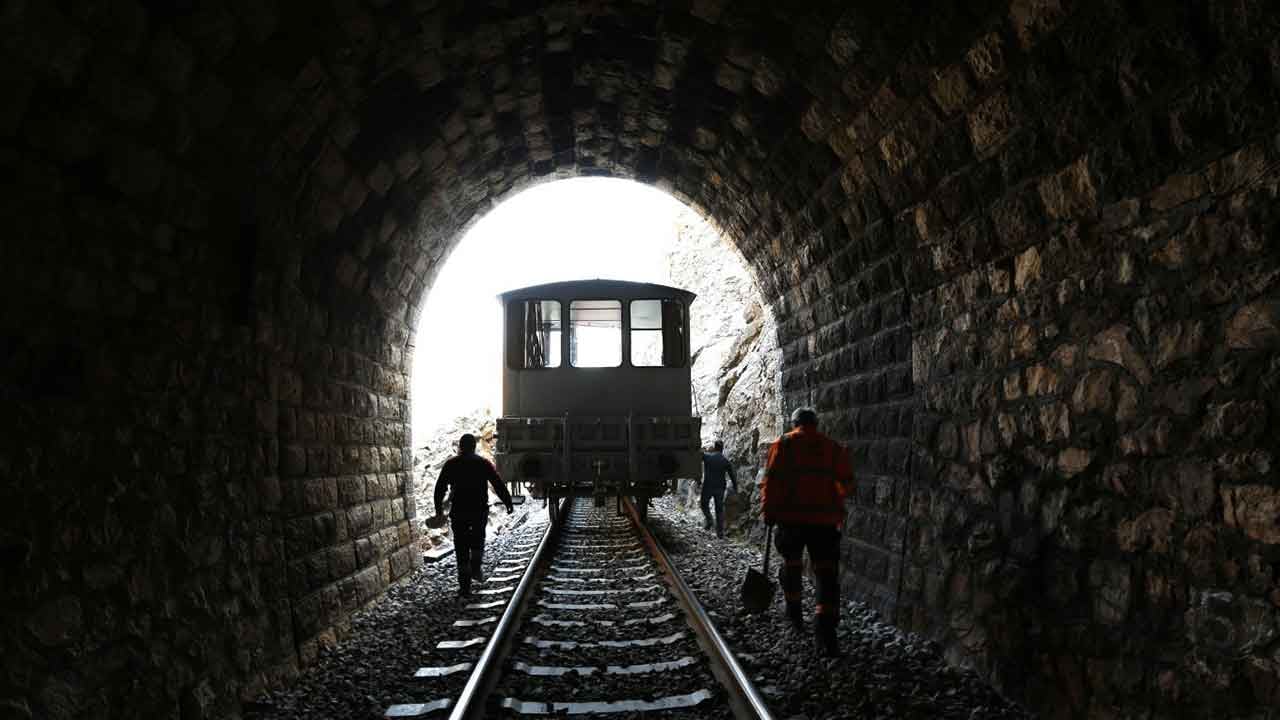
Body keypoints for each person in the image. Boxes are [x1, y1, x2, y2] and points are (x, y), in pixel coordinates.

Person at [761, 407, 854, 658]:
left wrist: (769, 512)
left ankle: (794, 614)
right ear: (816, 424)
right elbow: (847, 486)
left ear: (794, 423)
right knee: (826, 575)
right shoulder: (833, 448)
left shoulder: (784, 444)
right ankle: (825, 632)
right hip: (824, 522)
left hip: (791, 520)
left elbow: (772, 482)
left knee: (791, 565)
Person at [433, 433, 513, 596]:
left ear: (460, 447)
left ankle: (465, 586)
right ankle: (476, 567)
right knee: (478, 540)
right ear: (474, 447)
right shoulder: (483, 463)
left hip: (459, 512)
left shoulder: (451, 464)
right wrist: (508, 502)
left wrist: (439, 511)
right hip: (478, 510)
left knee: (461, 546)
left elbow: (439, 488)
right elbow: (497, 483)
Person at [700, 440, 737, 537]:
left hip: (708, 486)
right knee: (719, 509)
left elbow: (698, 454)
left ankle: (709, 520)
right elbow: (732, 475)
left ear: (715, 447)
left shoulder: (707, 457)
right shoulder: (725, 461)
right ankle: (720, 532)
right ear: (722, 448)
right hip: (720, 488)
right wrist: (736, 487)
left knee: (704, 504)